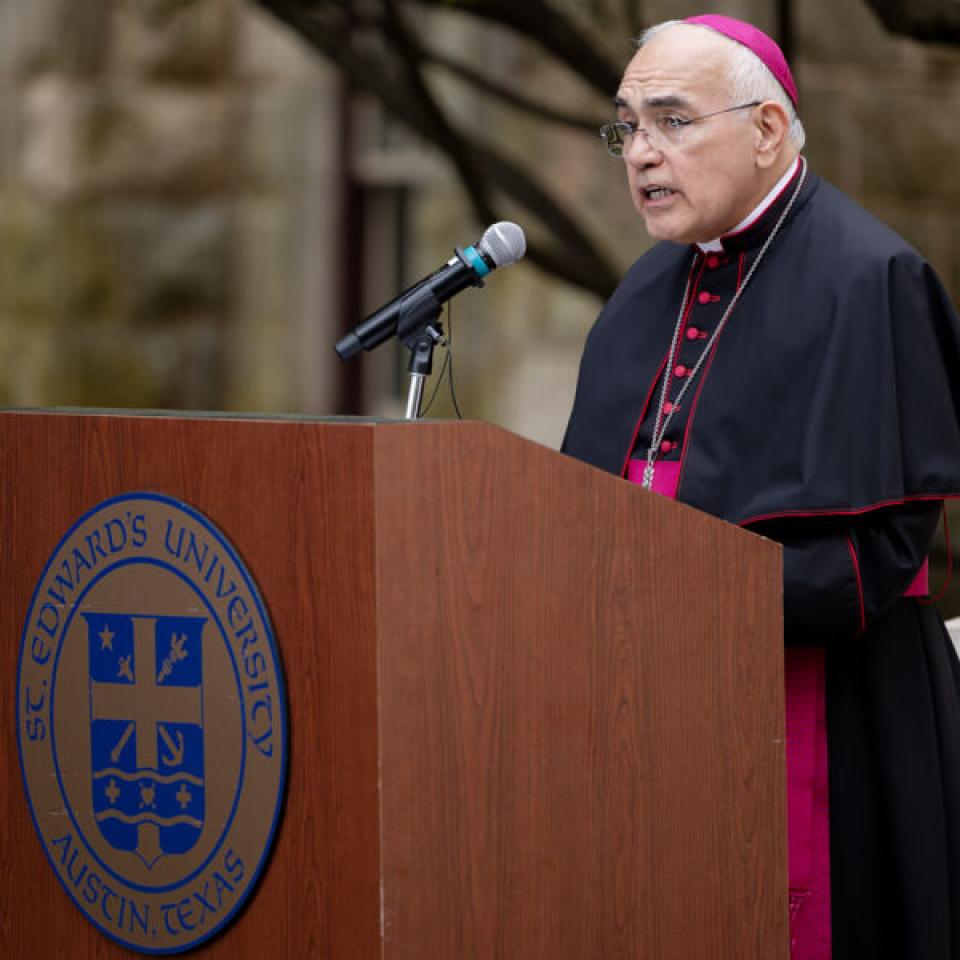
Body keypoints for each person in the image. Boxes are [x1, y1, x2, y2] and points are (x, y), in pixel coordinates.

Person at [561, 14, 960, 960]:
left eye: (671, 120)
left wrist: (659, 588)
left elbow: (869, 565)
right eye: (627, 127)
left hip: (833, 714)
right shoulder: (639, 295)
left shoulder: (875, 279)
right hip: (652, 708)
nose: (642, 153)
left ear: (769, 129)